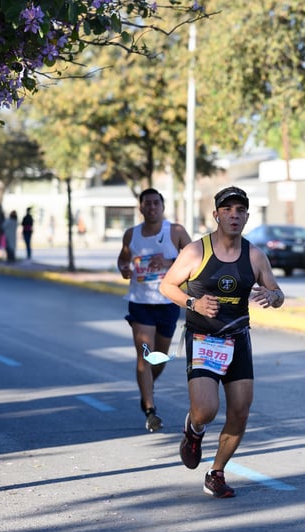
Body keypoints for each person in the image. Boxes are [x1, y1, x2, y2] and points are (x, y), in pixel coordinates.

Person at [159, 186, 285, 499]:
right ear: (216, 215)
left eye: (240, 210)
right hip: (204, 339)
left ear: (246, 216)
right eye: (227, 209)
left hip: (238, 339)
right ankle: (194, 428)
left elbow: (278, 292)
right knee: (206, 410)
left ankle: (216, 472)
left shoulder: (254, 255)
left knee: (240, 411)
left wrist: (273, 295)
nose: (234, 215)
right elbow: (166, 286)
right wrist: (193, 304)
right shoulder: (196, 251)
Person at [117, 188, 191, 432]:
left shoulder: (176, 232)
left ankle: (146, 387)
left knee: (159, 358)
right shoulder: (132, 234)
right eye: (146, 203)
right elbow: (123, 258)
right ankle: (150, 410)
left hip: (168, 302)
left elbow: (195, 259)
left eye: (155, 203)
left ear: (163, 206)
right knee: (145, 356)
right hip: (140, 303)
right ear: (140, 208)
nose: (151, 207)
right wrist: (124, 268)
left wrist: (169, 263)